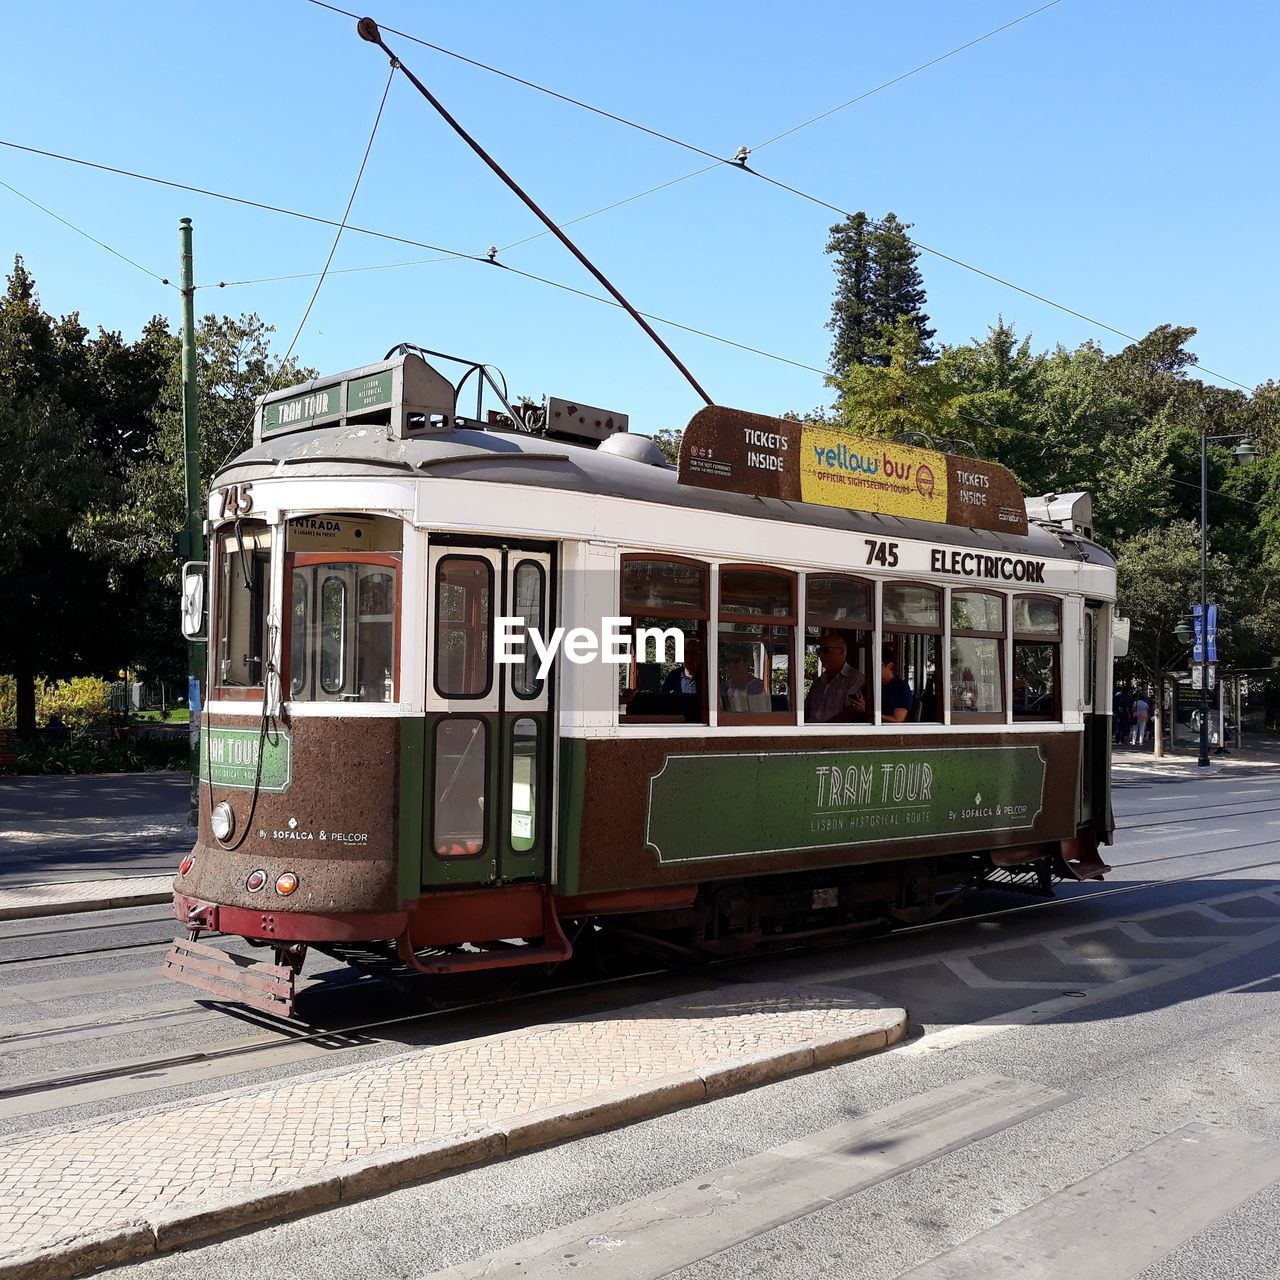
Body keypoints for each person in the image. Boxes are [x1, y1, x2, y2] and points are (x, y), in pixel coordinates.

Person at [804, 634, 866, 722]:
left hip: (834, 732)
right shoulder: (818, 681)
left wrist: (823, 729)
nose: (820, 656)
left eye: (825, 650)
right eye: (819, 651)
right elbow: (806, 709)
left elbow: (851, 712)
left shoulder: (855, 678)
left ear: (842, 651)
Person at [721, 644, 770, 713]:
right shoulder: (723, 688)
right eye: (728, 661)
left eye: (736, 661)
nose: (731, 665)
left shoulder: (758, 686)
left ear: (748, 663)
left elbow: (762, 715)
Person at [881, 649, 913, 723]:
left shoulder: (901, 687)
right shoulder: (874, 686)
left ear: (889, 665)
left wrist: (870, 712)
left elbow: (897, 719)